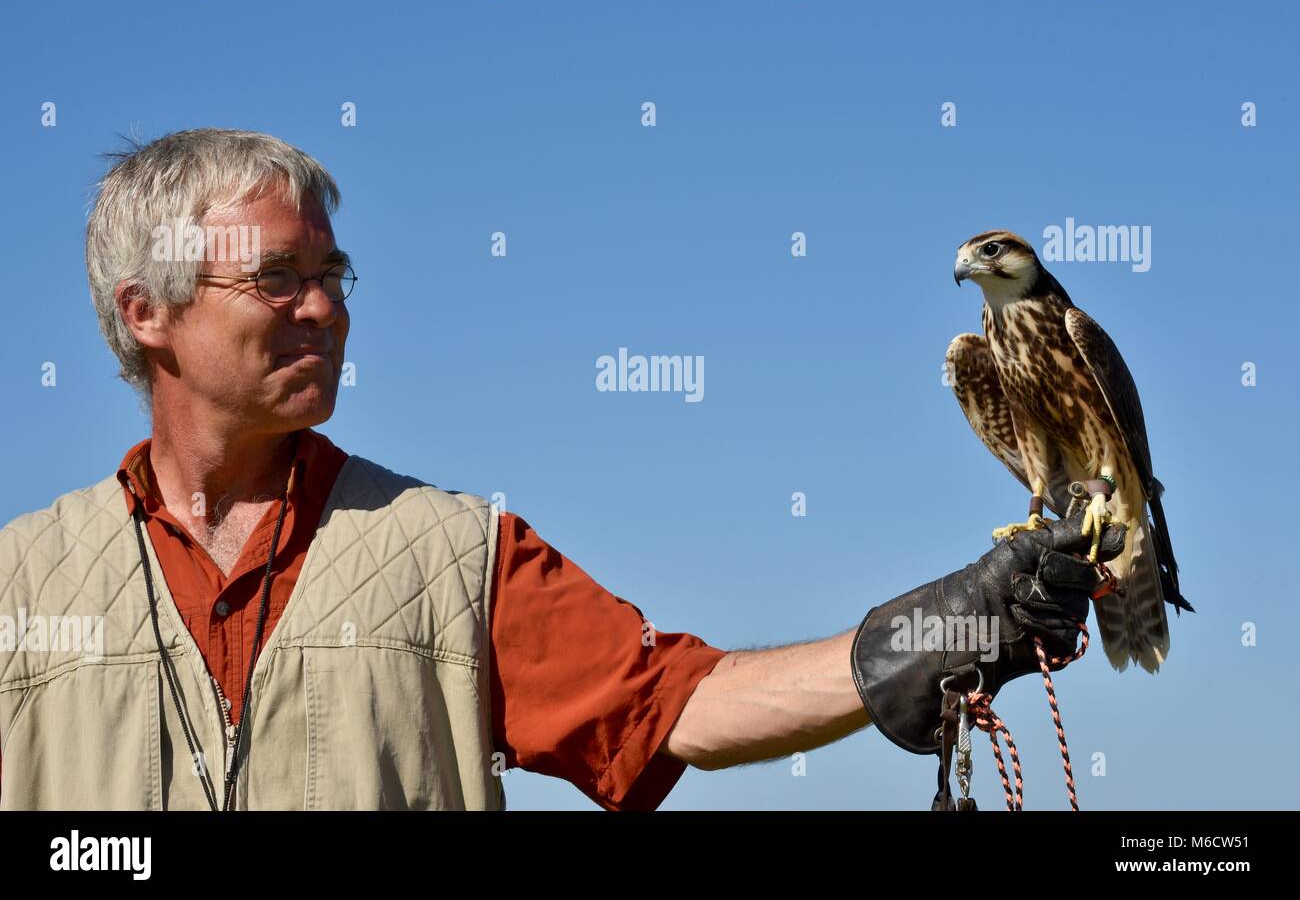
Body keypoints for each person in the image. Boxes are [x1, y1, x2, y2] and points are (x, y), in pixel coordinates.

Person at [0, 129, 1125, 810]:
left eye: (336, 274)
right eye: (280, 277)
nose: (327, 308)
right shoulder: (21, 586)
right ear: (145, 311)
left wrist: (924, 639)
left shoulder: (448, 553)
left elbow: (675, 706)